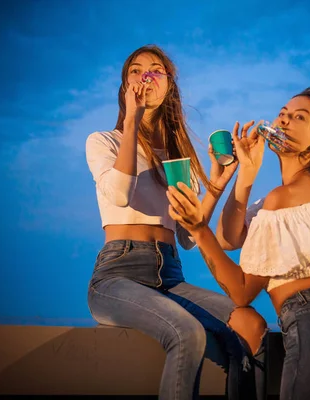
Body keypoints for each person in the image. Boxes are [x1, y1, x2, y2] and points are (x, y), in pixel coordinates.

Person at [166, 86, 310, 399]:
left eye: (299, 117)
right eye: (283, 114)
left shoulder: (283, 199)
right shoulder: (306, 194)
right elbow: (230, 238)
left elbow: (241, 292)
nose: (284, 121)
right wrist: (247, 173)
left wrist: (198, 229)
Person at [85, 44, 267, 400]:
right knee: (187, 331)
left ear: (169, 85)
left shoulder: (176, 158)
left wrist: (217, 182)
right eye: (135, 71)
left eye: (155, 70)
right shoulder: (104, 141)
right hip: (118, 274)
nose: (145, 76)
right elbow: (120, 194)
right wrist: (132, 120)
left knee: (252, 325)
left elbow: (185, 235)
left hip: (170, 275)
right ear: (125, 86)